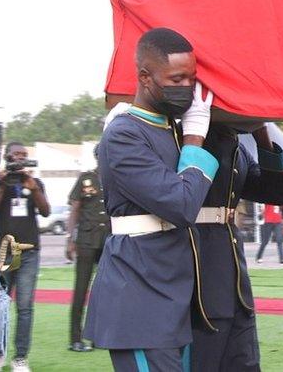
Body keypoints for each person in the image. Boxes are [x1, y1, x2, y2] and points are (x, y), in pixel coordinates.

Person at [83, 27, 219, 371]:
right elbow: (181, 204)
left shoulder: (166, 128)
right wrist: (194, 138)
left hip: (172, 292)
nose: (186, 88)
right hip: (139, 293)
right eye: (176, 78)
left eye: (191, 78)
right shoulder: (125, 133)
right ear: (145, 77)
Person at [192, 121, 283, 371]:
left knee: (245, 362)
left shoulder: (236, 145)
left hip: (235, 278)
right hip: (201, 270)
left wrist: (262, 136)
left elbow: (277, 194)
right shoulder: (192, 135)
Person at [0, 142, 51, 372]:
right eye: (17, 154)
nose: (21, 159)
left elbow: (45, 212)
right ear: (7, 157)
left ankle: (20, 358)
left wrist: (33, 189)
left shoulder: (35, 183)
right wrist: (2, 186)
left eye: (25, 155)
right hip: (4, 252)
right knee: (0, 304)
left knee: (25, 306)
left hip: (29, 252)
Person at [65, 162, 109, 353]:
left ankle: (98, 337)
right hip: (86, 240)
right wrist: (70, 239)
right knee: (81, 290)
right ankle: (75, 339)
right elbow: (75, 208)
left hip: (108, 240)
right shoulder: (86, 178)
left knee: (104, 291)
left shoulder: (114, 177)